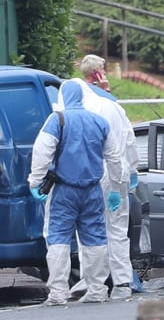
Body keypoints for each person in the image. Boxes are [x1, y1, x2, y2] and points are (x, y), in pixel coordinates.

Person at [28, 80, 125, 305]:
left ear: (62, 97)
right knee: (95, 239)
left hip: (64, 191)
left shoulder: (57, 120)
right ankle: (97, 290)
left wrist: (35, 182)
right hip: (93, 191)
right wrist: (117, 189)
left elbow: (42, 152)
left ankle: (58, 293)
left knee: (58, 239)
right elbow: (115, 158)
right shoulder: (99, 122)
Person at [55, 78, 141, 300]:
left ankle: (92, 281)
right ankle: (122, 283)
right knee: (118, 230)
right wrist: (132, 172)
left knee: (88, 230)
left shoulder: (80, 112)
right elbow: (130, 140)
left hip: (92, 176)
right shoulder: (113, 106)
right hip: (118, 175)